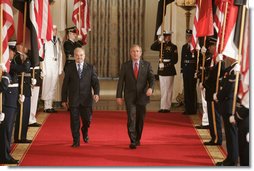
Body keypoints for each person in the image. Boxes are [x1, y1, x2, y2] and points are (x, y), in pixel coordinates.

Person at [116, 44, 155, 149]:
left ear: (141, 53)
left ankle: (138, 138)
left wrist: (151, 88)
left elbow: (151, 78)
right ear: (130, 53)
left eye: (137, 51)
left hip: (142, 96)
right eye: (133, 51)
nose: (135, 53)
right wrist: (118, 96)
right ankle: (132, 140)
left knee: (140, 119)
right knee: (131, 118)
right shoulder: (125, 65)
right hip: (130, 97)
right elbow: (121, 82)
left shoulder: (146, 65)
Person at [62, 47, 100, 148]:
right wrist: (64, 99)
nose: (79, 57)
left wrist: (96, 93)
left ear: (84, 56)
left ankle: (85, 130)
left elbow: (95, 83)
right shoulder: (69, 68)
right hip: (74, 99)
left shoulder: (90, 68)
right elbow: (65, 84)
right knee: (74, 121)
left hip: (86, 99)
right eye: (77, 55)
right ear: (74, 56)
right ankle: (76, 140)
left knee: (87, 120)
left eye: (81, 55)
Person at [215, 58, 239, 166]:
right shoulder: (231, 68)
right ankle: (230, 157)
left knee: (231, 134)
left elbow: (229, 88)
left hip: (230, 105)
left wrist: (218, 95)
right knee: (230, 134)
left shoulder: (236, 69)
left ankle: (232, 159)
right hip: (227, 104)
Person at [0, 41, 19, 164]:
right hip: (6, 103)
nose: (13, 54)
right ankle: (4, 156)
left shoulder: (11, 64)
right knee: (5, 131)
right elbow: (3, 86)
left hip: (10, 102)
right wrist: (6, 75)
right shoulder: (6, 66)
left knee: (7, 131)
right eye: (11, 51)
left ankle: (5, 153)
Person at [202, 37, 223, 146]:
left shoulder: (219, 62)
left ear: (216, 47)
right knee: (211, 117)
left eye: (211, 46)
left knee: (215, 117)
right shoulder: (213, 60)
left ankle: (216, 138)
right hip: (210, 92)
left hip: (213, 92)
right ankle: (214, 136)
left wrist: (204, 84)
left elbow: (213, 78)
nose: (209, 48)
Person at [151, 31, 178, 113]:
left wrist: (166, 65)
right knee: (163, 89)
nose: (167, 37)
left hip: (169, 69)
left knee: (168, 89)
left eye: (168, 36)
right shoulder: (161, 45)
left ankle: (167, 107)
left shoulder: (173, 46)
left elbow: (175, 60)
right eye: (166, 36)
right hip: (161, 69)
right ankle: (162, 106)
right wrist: (159, 40)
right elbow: (152, 47)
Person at [41, 25, 63, 113]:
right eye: (53, 29)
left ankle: (50, 105)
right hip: (48, 65)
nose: (55, 31)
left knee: (53, 86)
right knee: (47, 85)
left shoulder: (57, 41)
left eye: (56, 29)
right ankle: (46, 106)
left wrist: (60, 67)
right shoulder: (45, 41)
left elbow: (60, 54)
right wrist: (43, 69)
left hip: (55, 64)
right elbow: (42, 56)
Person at [13, 44, 32, 143]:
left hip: (26, 89)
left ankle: (23, 136)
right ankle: (19, 137)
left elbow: (39, 58)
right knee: (21, 115)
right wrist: (27, 60)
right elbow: (25, 68)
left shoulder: (26, 57)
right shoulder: (16, 57)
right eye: (23, 45)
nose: (26, 47)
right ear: (18, 47)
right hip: (21, 90)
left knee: (26, 114)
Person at [180, 29, 197, 115]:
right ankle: (187, 108)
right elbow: (182, 59)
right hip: (186, 70)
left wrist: (197, 70)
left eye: (189, 36)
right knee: (186, 89)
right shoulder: (184, 47)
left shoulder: (195, 47)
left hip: (192, 70)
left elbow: (197, 60)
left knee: (192, 89)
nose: (188, 38)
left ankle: (193, 108)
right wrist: (182, 69)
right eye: (187, 36)